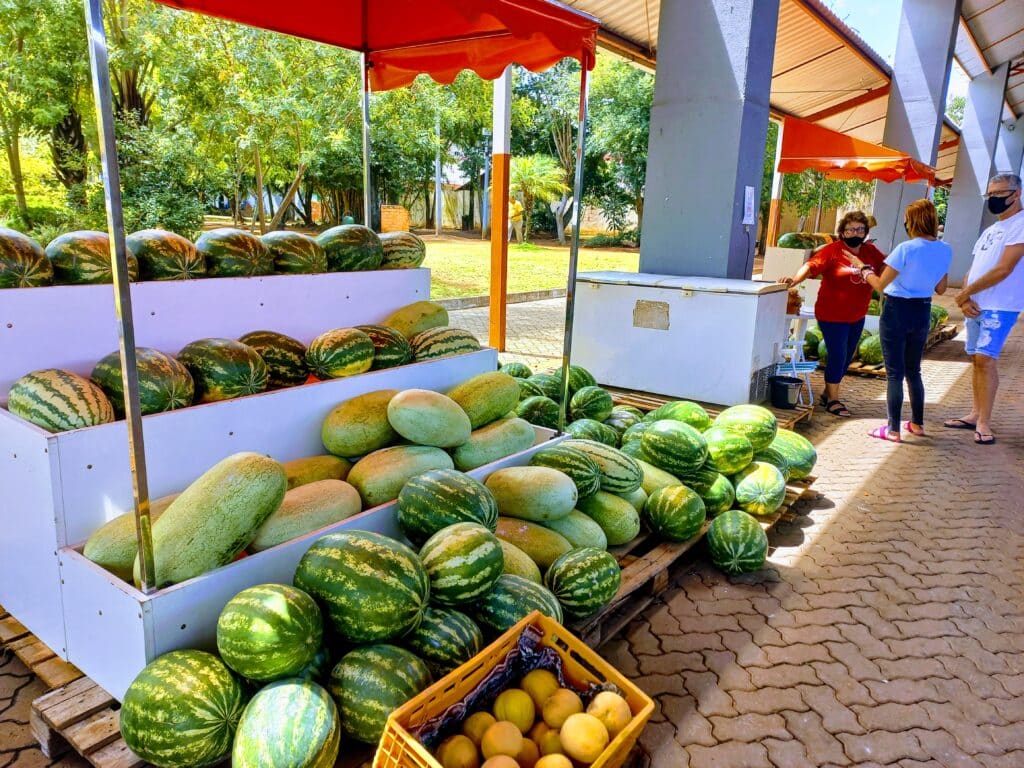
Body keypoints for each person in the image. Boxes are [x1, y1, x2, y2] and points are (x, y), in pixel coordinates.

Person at [846, 200, 951, 442]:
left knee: (894, 373)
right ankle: (917, 424)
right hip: (923, 310)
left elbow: (880, 285)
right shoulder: (945, 249)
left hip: (896, 310)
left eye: (906, 218)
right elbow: (942, 288)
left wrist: (862, 268)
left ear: (912, 222)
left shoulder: (906, 248)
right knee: (914, 370)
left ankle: (892, 429)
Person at [943, 172, 1024, 445]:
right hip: (977, 304)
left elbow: (1004, 268)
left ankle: (984, 422)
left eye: (999, 194)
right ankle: (975, 412)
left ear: (1016, 194)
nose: (993, 199)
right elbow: (974, 267)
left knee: (986, 359)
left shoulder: (1020, 224)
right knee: (976, 359)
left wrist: (965, 293)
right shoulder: (991, 230)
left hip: (1000, 305)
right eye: (990, 194)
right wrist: (966, 298)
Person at [779, 211, 886, 417]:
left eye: (860, 229)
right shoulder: (832, 251)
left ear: (865, 232)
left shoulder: (870, 251)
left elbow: (885, 266)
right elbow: (810, 266)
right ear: (842, 232)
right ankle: (834, 400)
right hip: (832, 314)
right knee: (837, 355)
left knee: (847, 356)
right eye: (850, 230)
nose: (855, 233)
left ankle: (827, 394)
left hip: (857, 315)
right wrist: (794, 280)